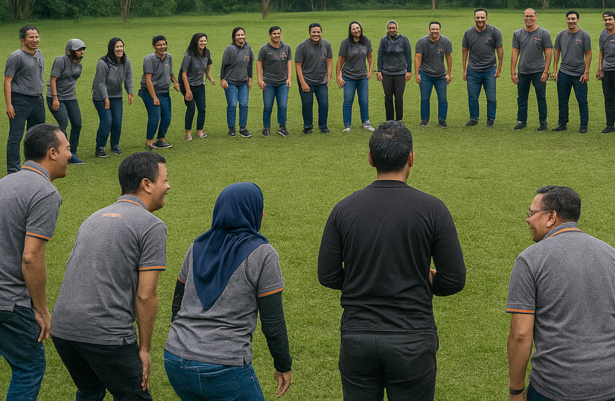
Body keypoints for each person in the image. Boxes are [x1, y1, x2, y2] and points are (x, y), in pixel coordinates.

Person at [318, 121, 465, 400]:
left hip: (358, 337)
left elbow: (327, 275)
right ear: (411, 157)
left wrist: (364, 277)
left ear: (370, 158)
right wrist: (425, 277)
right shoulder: (433, 210)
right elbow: (454, 279)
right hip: (412, 338)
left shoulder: (344, 209)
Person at [0, 123, 70, 401]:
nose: (71, 154)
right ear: (52, 153)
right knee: (29, 366)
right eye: (67, 149)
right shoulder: (44, 193)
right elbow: (31, 257)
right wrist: (42, 310)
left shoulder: (5, 182)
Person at [51, 151, 170, 401]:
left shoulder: (94, 217)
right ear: (146, 184)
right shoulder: (151, 226)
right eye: (165, 180)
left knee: (90, 390)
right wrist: (145, 349)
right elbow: (146, 296)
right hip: (105, 333)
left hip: (63, 330)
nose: (168, 186)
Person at [507, 185, 615, 401]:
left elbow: (521, 334)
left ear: (551, 217)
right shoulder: (612, 255)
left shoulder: (530, 260)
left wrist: (515, 391)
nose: (528, 220)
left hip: (556, 390)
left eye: (532, 213)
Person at [164, 182, 292, 401]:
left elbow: (177, 304)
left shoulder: (196, 247)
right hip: (223, 365)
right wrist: (283, 365)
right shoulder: (263, 254)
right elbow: (273, 322)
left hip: (175, 359)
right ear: (255, 212)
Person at [4, 24, 46, 173]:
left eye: (36, 37)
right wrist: (9, 104)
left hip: (37, 100)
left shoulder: (39, 53)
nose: (35, 40)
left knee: (38, 136)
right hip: (20, 101)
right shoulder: (16, 56)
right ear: (23, 39)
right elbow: (7, 80)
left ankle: (33, 166)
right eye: (31, 37)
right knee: (15, 137)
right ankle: (13, 169)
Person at [511, 8, 554, 132]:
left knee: (541, 97)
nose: (528, 18)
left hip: (538, 71)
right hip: (523, 71)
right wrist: (513, 71)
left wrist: (546, 71)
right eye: (526, 16)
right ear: (523, 17)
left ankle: (543, 122)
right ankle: (521, 121)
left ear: (536, 17)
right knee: (522, 97)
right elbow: (515, 52)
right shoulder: (517, 34)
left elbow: (548, 51)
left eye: (531, 16)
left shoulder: (543, 33)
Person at [92, 38, 134, 159]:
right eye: (117, 47)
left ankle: (114, 145)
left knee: (117, 122)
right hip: (100, 97)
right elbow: (100, 83)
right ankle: (100, 147)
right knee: (107, 121)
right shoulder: (103, 63)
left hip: (116, 96)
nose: (120, 49)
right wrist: (105, 98)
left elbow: (129, 76)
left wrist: (130, 92)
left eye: (121, 46)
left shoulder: (126, 61)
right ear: (112, 48)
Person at [550, 10, 592, 133]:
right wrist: (554, 70)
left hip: (579, 73)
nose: (571, 21)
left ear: (578, 20)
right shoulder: (561, 35)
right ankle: (562, 123)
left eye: (573, 19)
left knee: (582, 101)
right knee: (562, 100)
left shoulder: (584, 35)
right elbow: (556, 51)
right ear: (566, 20)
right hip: (564, 73)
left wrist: (586, 71)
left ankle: (583, 124)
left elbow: (588, 54)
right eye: (568, 19)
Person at [47, 39, 86, 165]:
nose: (82, 52)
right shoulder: (60, 61)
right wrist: (55, 97)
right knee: (63, 122)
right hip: (55, 96)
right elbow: (53, 80)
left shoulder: (79, 65)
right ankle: (63, 153)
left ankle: (72, 153)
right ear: (70, 51)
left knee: (77, 123)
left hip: (70, 97)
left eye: (83, 50)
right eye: (79, 50)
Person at [462, 8, 503, 128]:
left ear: (487, 18)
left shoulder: (495, 31)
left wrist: (499, 68)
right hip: (473, 70)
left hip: (490, 69)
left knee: (491, 97)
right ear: (474, 18)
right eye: (477, 17)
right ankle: (473, 118)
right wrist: (465, 70)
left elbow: (499, 50)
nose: (480, 20)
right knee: (472, 97)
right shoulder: (468, 32)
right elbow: (465, 52)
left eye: (482, 17)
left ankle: (491, 119)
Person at [139, 35, 179, 150]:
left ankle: (160, 139)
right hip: (149, 92)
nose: (162, 47)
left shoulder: (168, 57)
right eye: (159, 45)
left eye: (164, 44)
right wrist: (154, 97)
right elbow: (148, 79)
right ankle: (149, 142)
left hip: (164, 92)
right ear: (154, 46)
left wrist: (175, 83)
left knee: (167, 117)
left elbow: (170, 72)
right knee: (155, 117)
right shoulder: (149, 59)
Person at [295, 23, 333, 134]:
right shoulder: (302, 47)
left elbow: (330, 60)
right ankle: (308, 126)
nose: (316, 34)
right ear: (309, 33)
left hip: (321, 81)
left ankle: (323, 126)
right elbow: (298, 65)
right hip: (307, 81)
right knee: (307, 105)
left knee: (324, 104)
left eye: (318, 32)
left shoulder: (326, 45)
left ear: (321, 32)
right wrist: (302, 82)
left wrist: (329, 76)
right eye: (314, 32)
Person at [338, 21, 375, 133]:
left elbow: (370, 58)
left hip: (362, 77)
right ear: (350, 31)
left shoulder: (366, 41)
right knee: (348, 100)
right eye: (353, 29)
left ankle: (366, 123)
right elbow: (340, 62)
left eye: (357, 28)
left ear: (360, 29)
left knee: (364, 100)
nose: (356, 30)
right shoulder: (346, 43)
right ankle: (347, 125)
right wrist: (338, 76)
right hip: (348, 77)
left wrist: (370, 71)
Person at [414, 21, 453, 128]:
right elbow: (417, 58)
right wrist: (417, 74)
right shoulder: (421, 42)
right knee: (425, 98)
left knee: (443, 98)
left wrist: (448, 73)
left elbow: (449, 58)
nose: (435, 31)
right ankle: (425, 120)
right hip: (425, 74)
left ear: (440, 30)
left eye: (437, 29)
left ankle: (442, 120)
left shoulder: (446, 41)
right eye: (433, 29)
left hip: (441, 75)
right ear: (429, 30)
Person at [257, 26, 292, 137]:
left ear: (281, 34)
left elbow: (289, 63)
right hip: (268, 82)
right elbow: (259, 63)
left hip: (282, 82)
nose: (276, 35)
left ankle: (282, 127)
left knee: (283, 106)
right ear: (270, 35)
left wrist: (289, 78)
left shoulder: (286, 48)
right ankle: (266, 128)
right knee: (268, 106)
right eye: (274, 33)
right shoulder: (264, 49)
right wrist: (259, 79)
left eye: (278, 33)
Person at [220, 27, 254, 138]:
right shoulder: (230, 49)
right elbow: (224, 65)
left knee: (244, 104)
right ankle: (231, 128)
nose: (241, 37)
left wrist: (250, 79)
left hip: (244, 82)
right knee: (233, 105)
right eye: (238, 35)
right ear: (234, 37)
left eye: (242, 35)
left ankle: (243, 128)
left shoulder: (248, 48)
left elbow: (250, 65)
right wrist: (222, 79)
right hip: (231, 82)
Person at [377, 20, 413, 123]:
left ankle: (399, 120)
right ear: (387, 29)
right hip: (387, 73)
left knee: (399, 97)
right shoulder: (383, 40)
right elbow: (380, 55)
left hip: (400, 73)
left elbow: (408, 56)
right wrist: (379, 71)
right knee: (388, 97)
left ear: (397, 29)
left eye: (393, 28)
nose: (392, 30)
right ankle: (389, 121)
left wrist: (409, 71)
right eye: (389, 28)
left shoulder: (404, 39)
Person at [180, 32, 213, 141]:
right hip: (187, 85)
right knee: (191, 108)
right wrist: (188, 91)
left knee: (202, 109)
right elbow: (183, 73)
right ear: (196, 42)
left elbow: (208, 64)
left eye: (205, 40)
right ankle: (188, 133)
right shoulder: (188, 55)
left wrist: (208, 76)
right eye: (201, 41)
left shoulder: (206, 53)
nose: (203, 43)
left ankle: (200, 131)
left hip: (200, 85)